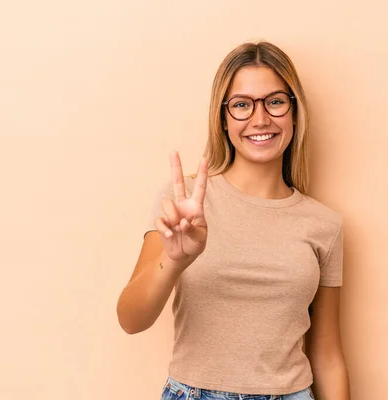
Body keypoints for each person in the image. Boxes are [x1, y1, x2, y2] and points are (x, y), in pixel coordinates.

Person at [117, 41, 350, 400]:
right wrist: (176, 259)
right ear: (224, 119)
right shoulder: (184, 202)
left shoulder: (324, 225)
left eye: (274, 101)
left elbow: (327, 354)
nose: (260, 119)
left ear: (294, 113)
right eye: (242, 105)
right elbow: (131, 320)